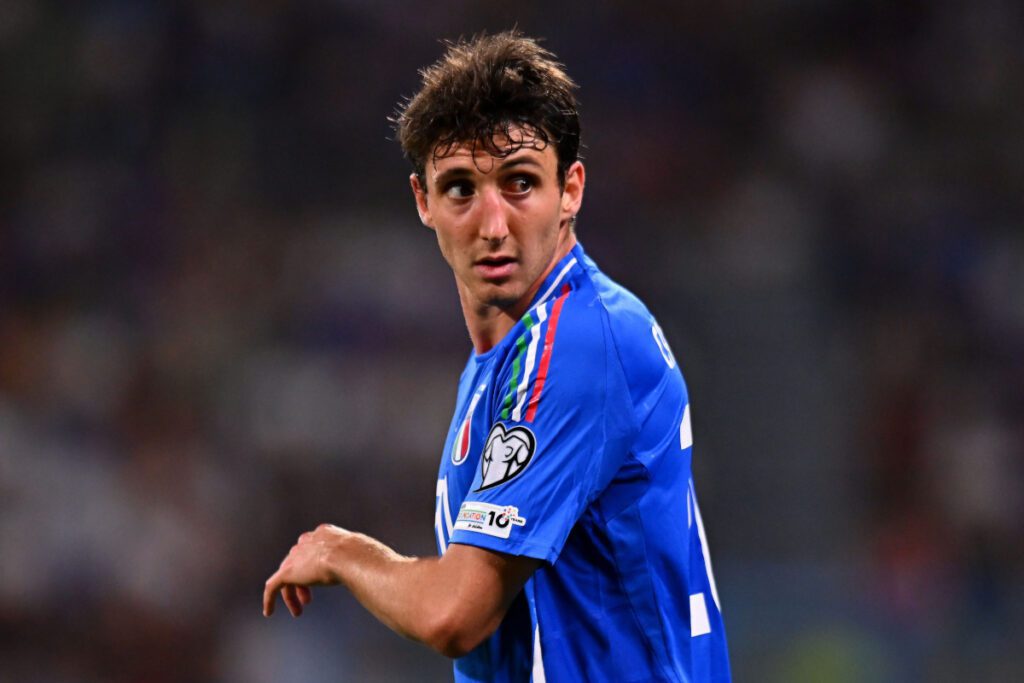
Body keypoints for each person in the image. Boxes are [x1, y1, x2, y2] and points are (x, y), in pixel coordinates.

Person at [263, 31, 731, 682]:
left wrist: (345, 552)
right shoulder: (504, 364)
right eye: (460, 188)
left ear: (570, 190)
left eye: (519, 183)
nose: (491, 224)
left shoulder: (579, 343)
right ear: (423, 201)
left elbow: (457, 614)